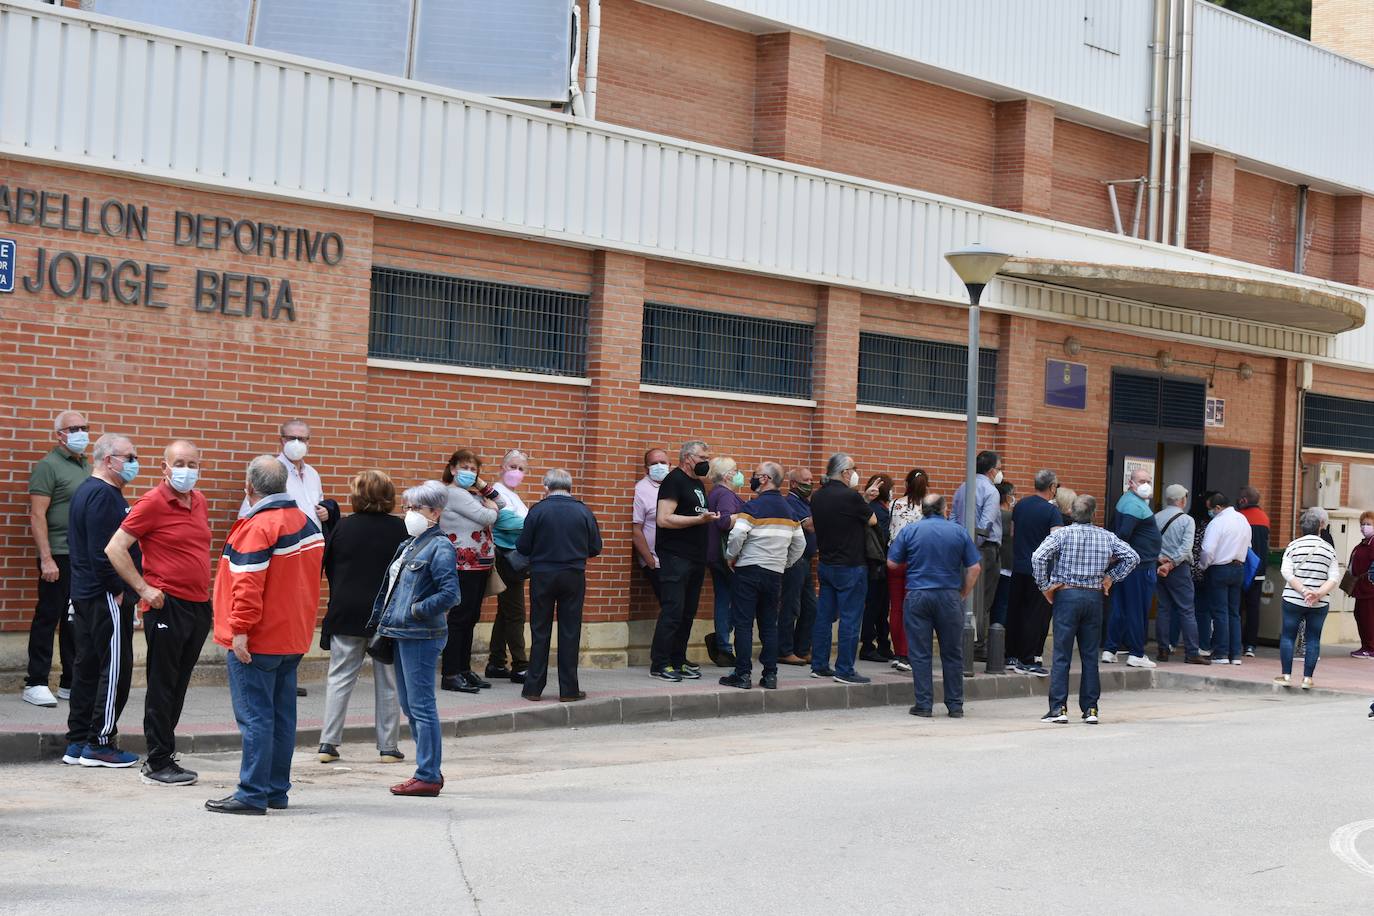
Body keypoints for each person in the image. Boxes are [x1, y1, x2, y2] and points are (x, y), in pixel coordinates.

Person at [206, 456, 324, 815]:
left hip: (259, 639)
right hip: (292, 637)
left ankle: (252, 792)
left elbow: (247, 583)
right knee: (281, 716)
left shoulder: (257, 527)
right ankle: (275, 789)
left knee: (256, 717)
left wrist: (239, 630)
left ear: (249, 488)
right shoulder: (307, 522)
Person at [104, 440, 212, 786]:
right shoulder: (153, 502)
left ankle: (166, 755)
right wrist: (144, 588)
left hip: (197, 605)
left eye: (192, 464)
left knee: (179, 683)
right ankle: (156, 762)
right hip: (167, 604)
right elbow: (115, 548)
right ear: (164, 468)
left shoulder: (199, 501)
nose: (186, 470)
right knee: (163, 684)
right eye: (179, 463)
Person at [366, 480, 459, 797]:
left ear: (435, 511)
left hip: (421, 634)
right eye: (406, 507)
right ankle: (427, 769)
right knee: (410, 704)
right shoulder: (410, 544)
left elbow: (450, 594)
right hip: (402, 633)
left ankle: (428, 774)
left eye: (415, 508)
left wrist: (416, 610)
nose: (408, 513)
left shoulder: (440, 547)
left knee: (421, 706)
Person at [317, 470, 408, 765]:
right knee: (388, 681)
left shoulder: (342, 527)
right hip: (386, 615)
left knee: (340, 677)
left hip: (346, 610)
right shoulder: (402, 529)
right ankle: (388, 747)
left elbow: (329, 568)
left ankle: (328, 744)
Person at [62, 433, 141, 769]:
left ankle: (78, 741)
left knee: (88, 667)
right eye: (130, 457)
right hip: (104, 594)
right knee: (115, 668)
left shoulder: (90, 491)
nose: (134, 463)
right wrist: (118, 587)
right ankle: (100, 742)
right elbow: (102, 551)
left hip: (87, 593)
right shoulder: (102, 495)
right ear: (109, 460)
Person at [1033, 495, 1140, 725]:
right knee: (1090, 655)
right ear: (1094, 513)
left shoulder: (1061, 534)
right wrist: (1110, 577)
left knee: (1062, 654)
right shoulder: (1106, 536)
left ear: (1071, 512)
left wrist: (1045, 587)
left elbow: (1038, 557)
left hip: (1067, 594)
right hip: (1093, 596)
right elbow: (1133, 557)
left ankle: (1058, 708)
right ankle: (1091, 709)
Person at [887, 494, 981, 718]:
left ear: (923, 510)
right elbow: (974, 568)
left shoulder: (910, 531)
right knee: (952, 653)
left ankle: (924, 704)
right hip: (949, 596)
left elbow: (892, 563)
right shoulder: (958, 531)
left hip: (918, 594)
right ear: (944, 509)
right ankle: (955, 705)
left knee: (920, 653)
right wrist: (962, 593)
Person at [517, 469, 603, 702]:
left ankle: (533, 688)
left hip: (542, 575)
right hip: (573, 575)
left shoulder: (537, 510)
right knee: (570, 631)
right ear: (570, 487)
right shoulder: (583, 511)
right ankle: (569, 689)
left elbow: (523, 546)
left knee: (540, 630)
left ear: (546, 487)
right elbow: (596, 547)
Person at [23, 409, 90, 707]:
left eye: (84, 427)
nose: (80, 432)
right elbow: (37, 515)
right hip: (57, 555)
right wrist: (46, 558)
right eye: (73, 428)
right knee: (48, 617)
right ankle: (35, 682)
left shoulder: (86, 465)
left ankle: (69, 682)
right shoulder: (48, 466)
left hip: (81, 556)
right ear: (59, 434)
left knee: (74, 620)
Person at [721, 462, 806, 690]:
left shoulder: (753, 507)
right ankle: (770, 675)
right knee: (769, 624)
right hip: (774, 573)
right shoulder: (790, 510)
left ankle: (743, 674)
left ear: (766, 478)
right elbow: (801, 543)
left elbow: (737, 535)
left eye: (756, 475)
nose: (752, 479)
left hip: (748, 570)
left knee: (744, 624)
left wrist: (731, 555)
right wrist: (785, 562)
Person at [649, 440, 717, 682]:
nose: (706, 463)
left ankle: (678, 659)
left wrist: (706, 518)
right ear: (688, 458)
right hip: (676, 556)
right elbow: (664, 519)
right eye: (702, 458)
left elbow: (695, 514)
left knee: (688, 612)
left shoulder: (697, 484)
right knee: (673, 611)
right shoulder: (674, 480)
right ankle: (660, 663)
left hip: (695, 558)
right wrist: (699, 520)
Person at [809, 453, 879, 685]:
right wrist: (865, 500)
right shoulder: (850, 496)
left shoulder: (817, 496)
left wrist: (863, 500)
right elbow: (872, 521)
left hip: (826, 563)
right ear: (845, 472)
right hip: (851, 565)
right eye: (853, 468)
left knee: (824, 616)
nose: (855, 473)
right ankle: (844, 669)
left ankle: (819, 664)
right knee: (850, 618)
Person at [439, 448, 504, 693]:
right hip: (462, 565)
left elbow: (501, 501)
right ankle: (451, 673)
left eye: (473, 469)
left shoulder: (472, 493)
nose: (468, 472)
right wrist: (492, 510)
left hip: (479, 565)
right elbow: (487, 516)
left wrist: (481, 484)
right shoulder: (454, 494)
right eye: (464, 467)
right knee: (459, 618)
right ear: (453, 468)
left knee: (470, 618)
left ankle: (464, 669)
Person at [1275, 507, 1341, 689]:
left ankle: (1286, 675)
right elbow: (1334, 577)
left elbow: (1286, 572)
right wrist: (1318, 594)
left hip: (1293, 599)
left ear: (1302, 527)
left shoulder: (1293, 546)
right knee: (1313, 638)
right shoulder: (1329, 550)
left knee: (1288, 636)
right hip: (1319, 603)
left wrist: (1304, 591)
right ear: (1319, 527)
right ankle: (1307, 679)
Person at [1103, 467, 1160, 669]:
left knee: (1120, 607)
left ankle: (1110, 648)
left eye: (1148, 481)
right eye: (1141, 480)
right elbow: (1124, 534)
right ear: (1131, 482)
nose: (1146, 485)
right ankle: (1136, 652)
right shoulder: (1134, 506)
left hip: (1128, 564)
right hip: (1139, 565)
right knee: (1137, 609)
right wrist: (1115, 555)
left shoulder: (1126, 500)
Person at [1006, 469, 1061, 678]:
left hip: (1018, 565)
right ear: (1052, 487)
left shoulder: (1020, 505)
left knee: (1015, 611)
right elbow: (1056, 543)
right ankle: (1027, 659)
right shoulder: (1051, 512)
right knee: (1033, 614)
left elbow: (1012, 533)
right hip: (1040, 570)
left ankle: (1010, 655)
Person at [951, 450, 1003, 660]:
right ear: (991, 471)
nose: (1000, 473)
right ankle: (977, 645)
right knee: (983, 600)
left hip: (961, 547)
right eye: (999, 468)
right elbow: (985, 526)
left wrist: (958, 545)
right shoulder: (991, 491)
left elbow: (953, 518)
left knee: (965, 596)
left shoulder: (963, 487)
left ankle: (964, 640)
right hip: (984, 550)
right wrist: (973, 549)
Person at [240, 418, 331, 528]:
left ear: (308, 442)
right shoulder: (269, 471)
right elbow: (246, 514)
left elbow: (318, 502)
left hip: (312, 541)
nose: (297, 443)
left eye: (302, 439)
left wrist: (324, 513)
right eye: (291, 438)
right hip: (285, 540)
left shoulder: (313, 474)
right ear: (282, 441)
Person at [489, 449, 531, 684]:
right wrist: (534, 522)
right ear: (502, 468)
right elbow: (507, 521)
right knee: (516, 613)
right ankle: (520, 666)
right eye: (512, 466)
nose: (516, 472)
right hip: (505, 559)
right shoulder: (497, 492)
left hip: (514, 559)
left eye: (521, 469)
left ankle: (496, 662)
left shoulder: (514, 496)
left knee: (505, 613)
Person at [1153, 485, 1208, 665]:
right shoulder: (1187, 520)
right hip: (1179, 569)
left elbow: (1151, 544)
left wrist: (1162, 561)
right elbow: (1186, 548)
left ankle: (1162, 649)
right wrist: (1171, 564)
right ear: (1182, 500)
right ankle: (1192, 651)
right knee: (1186, 609)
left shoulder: (1155, 517)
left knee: (1163, 608)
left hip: (1159, 566)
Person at [1199, 492, 1252, 665]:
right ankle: (1235, 654)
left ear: (1218, 508)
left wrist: (1202, 566)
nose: (1209, 512)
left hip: (1219, 568)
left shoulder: (1217, 522)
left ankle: (1221, 652)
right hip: (1239, 567)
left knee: (1219, 612)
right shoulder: (1242, 519)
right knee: (1234, 612)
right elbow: (1248, 545)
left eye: (1210, 509)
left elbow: (1207, 550)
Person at [885, 469, 928, 674]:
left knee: (896, 608)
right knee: (914, 610)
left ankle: (897, 652)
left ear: (906, 483)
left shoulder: (895, 504)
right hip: (917, 563)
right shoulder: (928, 507)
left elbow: (891, 531)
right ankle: (907, 653)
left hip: (895, 559)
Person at [705, 456, 745, 667]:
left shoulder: (715, 493)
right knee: (733, 601)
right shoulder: (726, 494)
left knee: (723, 599)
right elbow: (724, 521)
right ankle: (723, 642)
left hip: (715, 555)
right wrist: (747, 515)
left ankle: (722, 643)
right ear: (729, 474)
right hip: (726, 556)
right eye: (736, 470)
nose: (740, 475)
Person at [778, 465, 818, 666]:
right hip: (794, 561)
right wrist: (825, 508)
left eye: (811, 481)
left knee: (810, 607)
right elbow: (808, 526)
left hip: (806, 561)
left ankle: (802, 648)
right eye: (805, 482)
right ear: (793, 483)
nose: (810, 485)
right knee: (790, 606)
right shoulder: (791, 503)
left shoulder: (806, 502)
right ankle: (784, 650)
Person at [859, 473, 894, 662]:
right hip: (878, 563)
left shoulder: (873, 509)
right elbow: (884, 537)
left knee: (879, 605)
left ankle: (882, 643)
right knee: (876, 605)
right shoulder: (879, 512)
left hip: (874, 562)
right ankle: (869, 645)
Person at [1236, 486, 1271, 658]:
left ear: (1243, 500)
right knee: (1253, 608)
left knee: (1236, 607)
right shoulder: (1264, 518)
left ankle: (1235, 642)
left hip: (1242, 567)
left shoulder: (1241, 517)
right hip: (1259, 570)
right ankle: (1250, 645)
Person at [633, 448, 669, 601]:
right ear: (646, 468)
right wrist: (650, 561)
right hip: (655, 561)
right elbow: (636, 530)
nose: (659, 466)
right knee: (669, 604)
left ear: (670, 465)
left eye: (663, 462)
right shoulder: (641, 490)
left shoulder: (673, 486)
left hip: (674, 559)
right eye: (654, 463)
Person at [989, 480, 1015, 632]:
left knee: (991, 603)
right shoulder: (1009, 517)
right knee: (1002, 603)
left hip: (992, 564)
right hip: (1006, 565)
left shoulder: (991, 514)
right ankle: (998, 638)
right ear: (1007, 497)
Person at [1349, 511, 1374, 659]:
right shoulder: (1363, 543)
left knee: (1368, 617)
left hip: (1369, 589)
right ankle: (1366, 646)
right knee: (1360, 615)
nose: (1365, 527)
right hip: (1360, 588)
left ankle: (1371, 648)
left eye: (1369, 524)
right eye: (1363, 524)